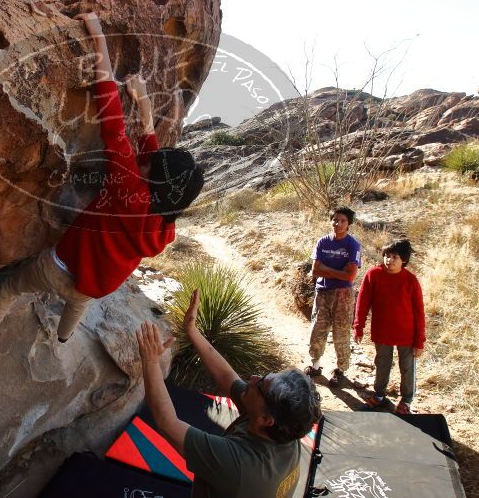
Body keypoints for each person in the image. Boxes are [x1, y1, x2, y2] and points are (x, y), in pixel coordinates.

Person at [0, 12, 205, 352]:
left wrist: (98, 39)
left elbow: (111, 117)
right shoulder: (162, 225)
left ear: (151, 180)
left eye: (151, 168)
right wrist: (142, 102)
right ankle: (65, 335)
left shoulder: (128, 185)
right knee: (78, 302)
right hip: (94, 285)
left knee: (10, 289)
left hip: (59, 267)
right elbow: (152, 156)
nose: (145, 163)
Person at [137, 290, 322, 498]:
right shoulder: (284, 427)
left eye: (259, 384)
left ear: (266, 419)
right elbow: (227, 376)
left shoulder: (240, 465)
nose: (251, 378)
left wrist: (150, 361)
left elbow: (167, 422)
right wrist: (192, 330)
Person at [353, 239, 426, 415]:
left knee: (407, 367)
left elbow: (419, 312)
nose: (389, 260)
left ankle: (406, 400)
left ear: (404, 260)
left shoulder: (410, 280)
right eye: (386, 255)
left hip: (406, 334)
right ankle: (378, 395)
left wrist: (419, 341)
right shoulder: (373, 275)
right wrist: (358, 326)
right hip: (382, 332)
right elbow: (362, 303)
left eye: (394, 257)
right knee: (382, 364)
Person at [304, 207, 361, 388]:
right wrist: (338, 272)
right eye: (335, 220)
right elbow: (315, 271)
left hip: (343, 294)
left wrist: (326, 270)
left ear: (348, 224)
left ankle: (340, 369)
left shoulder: (353, 245)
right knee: (317, 329)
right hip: (323, 292)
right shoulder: (322, 242)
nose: (338, 224)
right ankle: (315, 365)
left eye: (343, 220)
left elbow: (350, 276)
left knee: (341, 332)